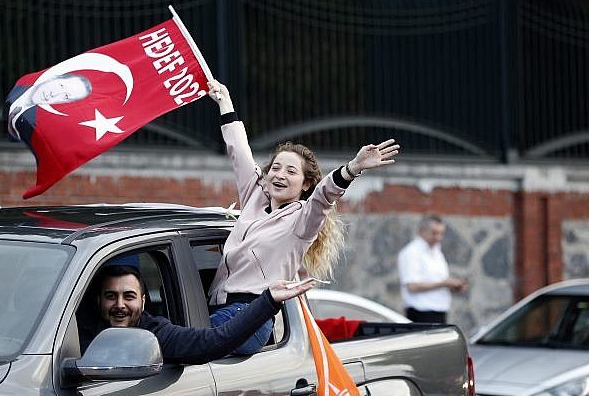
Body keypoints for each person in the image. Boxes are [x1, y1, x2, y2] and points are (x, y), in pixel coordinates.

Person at [206, 79, 400, 354]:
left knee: (181, 344)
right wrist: (225, 103)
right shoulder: (254, 195)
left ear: (305, 184)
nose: (280, 175)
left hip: (251, 317)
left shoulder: (302, 221)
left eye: (291, 171)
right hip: (218, 308)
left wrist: (354, 167)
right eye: (276, 168)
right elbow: (240, 152)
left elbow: (324, 196)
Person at [79, 262, 314, 365]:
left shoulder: (155, 334)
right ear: (99, 300)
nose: (120, 304)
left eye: (128, 296)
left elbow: (211, 342)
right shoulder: (68, 334)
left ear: (142, 301)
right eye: (111, 296)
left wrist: (268, 301)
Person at [397, 215, 467, 324]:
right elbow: (412, 286)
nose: (438, 238)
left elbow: (439, 280)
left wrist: (453, 286)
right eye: (434, 233)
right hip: (421, 312)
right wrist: (443, 283)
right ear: (422, 231)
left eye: (441, 234)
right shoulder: (411, 252)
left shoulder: (437, 252)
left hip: (440, 310)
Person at [6, 73, 92, 140]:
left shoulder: (34, 123)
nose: (54, 94)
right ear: (54, 77)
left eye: (66, 96)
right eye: (61, 86)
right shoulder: (18, 85)